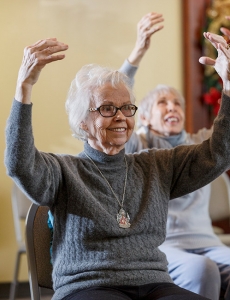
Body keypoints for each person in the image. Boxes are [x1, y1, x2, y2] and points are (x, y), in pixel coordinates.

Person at [4, 30, 230, 300]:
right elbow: (19, 164)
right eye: (107, 108)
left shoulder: (157, 165)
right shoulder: (63, 171)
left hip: (155, 285)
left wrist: (228, 87)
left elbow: (218, 154)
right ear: (82, 122)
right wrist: (23, 88)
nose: (121, 117)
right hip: (89, 286)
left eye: (127, 108)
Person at [120, 13, 230, 299]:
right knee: (202, 270)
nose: (172, 107)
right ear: (143, 116)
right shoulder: (138, 148)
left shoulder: (200, 143)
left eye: (177, 103)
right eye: (162, 102)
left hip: (209, 241)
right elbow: (116, 105)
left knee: (210, 263)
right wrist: (137, 52)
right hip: (162, 247)